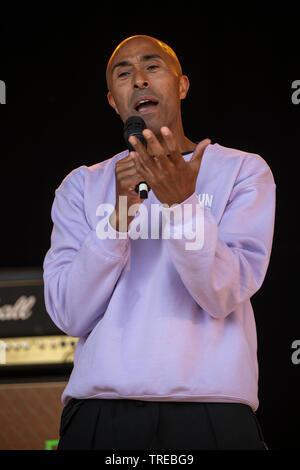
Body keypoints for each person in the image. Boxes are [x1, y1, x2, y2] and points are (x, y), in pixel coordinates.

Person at [43, 35, 276, 450]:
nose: (139, 81)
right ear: (114, 101)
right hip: (101, 411)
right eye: (123, 73)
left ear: (182, 85)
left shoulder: (242, 170)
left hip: (211, 411)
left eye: (152, 67)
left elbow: (223, 294)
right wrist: (117, 219)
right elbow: (68, 313)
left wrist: (183, 203)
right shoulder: (81, 185)